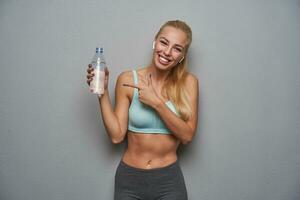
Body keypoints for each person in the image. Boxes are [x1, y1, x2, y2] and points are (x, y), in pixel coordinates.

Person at [86, 20, 199, 200]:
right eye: (164, 42)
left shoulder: (189, 83)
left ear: (183, 56)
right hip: (130, 179)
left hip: (169, 181)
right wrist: (103, 92)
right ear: (155, 42)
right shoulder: (128, 79)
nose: (167, 52)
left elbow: (187, 136)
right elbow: (116, 136)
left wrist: (157, 103)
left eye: (177, 48)